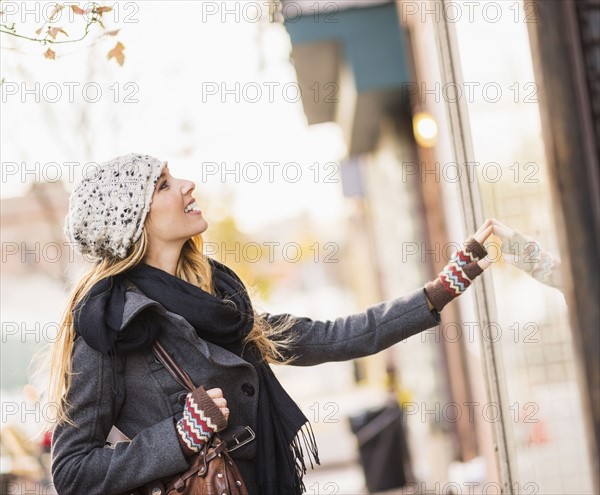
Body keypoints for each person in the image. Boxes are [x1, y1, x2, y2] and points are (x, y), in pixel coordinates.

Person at [44, 153, 494, 495]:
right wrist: (178, 436)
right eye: (163, 185)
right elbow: (72, 470)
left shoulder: (217, 298)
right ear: (135, 222)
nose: (186, 184)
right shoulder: (111, 326)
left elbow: (324, 337)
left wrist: (439, 291)